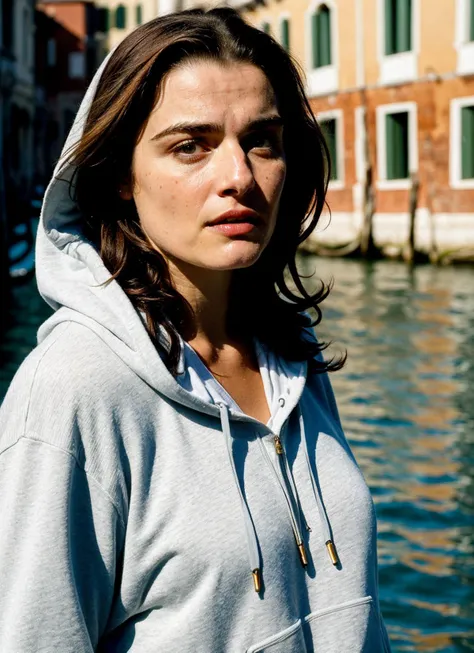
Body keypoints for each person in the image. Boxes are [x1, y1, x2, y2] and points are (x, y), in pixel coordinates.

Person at [0, 8, 391, 652]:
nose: (238, 176)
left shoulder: (292, 358)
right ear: (120, 175)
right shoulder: (72, 389)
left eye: (261, 140)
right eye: (191, 146)